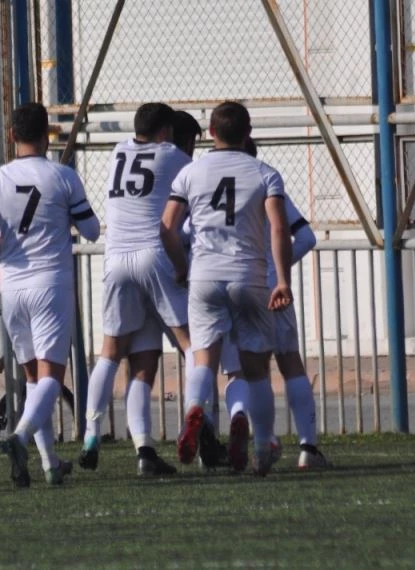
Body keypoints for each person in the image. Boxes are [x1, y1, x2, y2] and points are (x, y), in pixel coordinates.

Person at [0, 102, 100, 487]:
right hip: (50, 283)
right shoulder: (63, 176)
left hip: (12, 286)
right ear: (47, 135)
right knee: (52, 375)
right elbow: (91, 231)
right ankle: (19, 438)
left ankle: (50, 464)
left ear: (12, 136)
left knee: (33, 377)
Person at [162, 101, 293, 476]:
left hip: (204, 274)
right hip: (248, 275)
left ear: (211, 133)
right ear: (248, 133)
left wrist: (182, 267)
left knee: (203, 358)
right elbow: (279, 228)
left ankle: (194, 408)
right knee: (255, 370)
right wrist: (282, 280)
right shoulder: (265, 174)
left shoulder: (190, 172)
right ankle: (262, 447)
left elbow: (167, 227)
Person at [78, 103, 195, 477]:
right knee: (191, 345)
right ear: (165, 132)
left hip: (116, 259)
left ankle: (102, 437)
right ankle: (199, 423)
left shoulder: (118, 150)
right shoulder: (172, 155)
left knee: (117, 355)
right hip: (153, 255)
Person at [218, 137, 330, 470]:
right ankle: (308, 447)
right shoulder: (267, 182)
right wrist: (277, 269)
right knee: (289, 361)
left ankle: (249, 426)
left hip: (228, 284)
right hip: (269, 285)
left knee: (240, 369)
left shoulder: (209, 185)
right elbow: (306, 237)